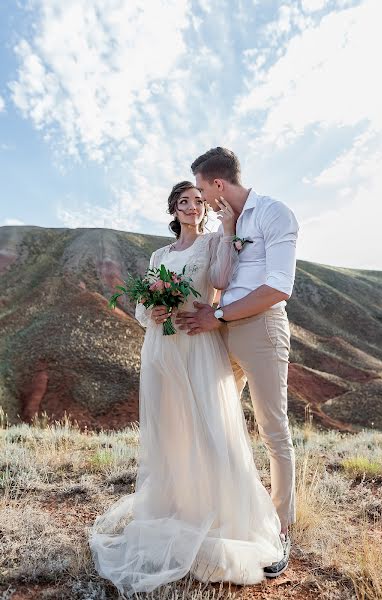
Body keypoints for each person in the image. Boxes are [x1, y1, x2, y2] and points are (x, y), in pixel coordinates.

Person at [88, 180, 285, 596]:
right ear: (173, 210)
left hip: (198, 343)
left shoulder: (214, 242)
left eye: (197, 201)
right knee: (172, 430)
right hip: (162, 347)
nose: (192, 207)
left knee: (209, 426)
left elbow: (219, 279)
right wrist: (153, 310)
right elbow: (142, 306)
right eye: (184, 202)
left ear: (204, 208)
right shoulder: (160, 254)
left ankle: (218, 510)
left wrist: (229, 227)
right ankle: (177, 505)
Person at [175, 148, 299, 578]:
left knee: (272, 429)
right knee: (216, 423)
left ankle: (282, 530)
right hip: (220, 332)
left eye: (204, 191)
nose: (203, 202)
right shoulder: (231, 220)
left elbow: (279, 287)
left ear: (218, 184)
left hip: (260, 329)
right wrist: (226, 229)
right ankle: (227, 516)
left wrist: (221, 315)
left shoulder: (273, 213)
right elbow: (223, 280)